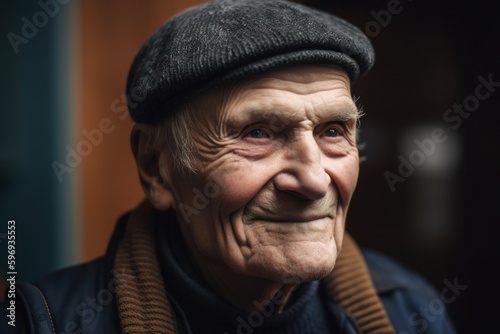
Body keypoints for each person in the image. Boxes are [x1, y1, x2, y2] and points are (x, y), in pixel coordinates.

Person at [2, 0, 458, 333]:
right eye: (258, 132)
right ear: (156, 166)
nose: (315, 179)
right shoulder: (45, 322)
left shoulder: (411, 310)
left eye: (333, 131)